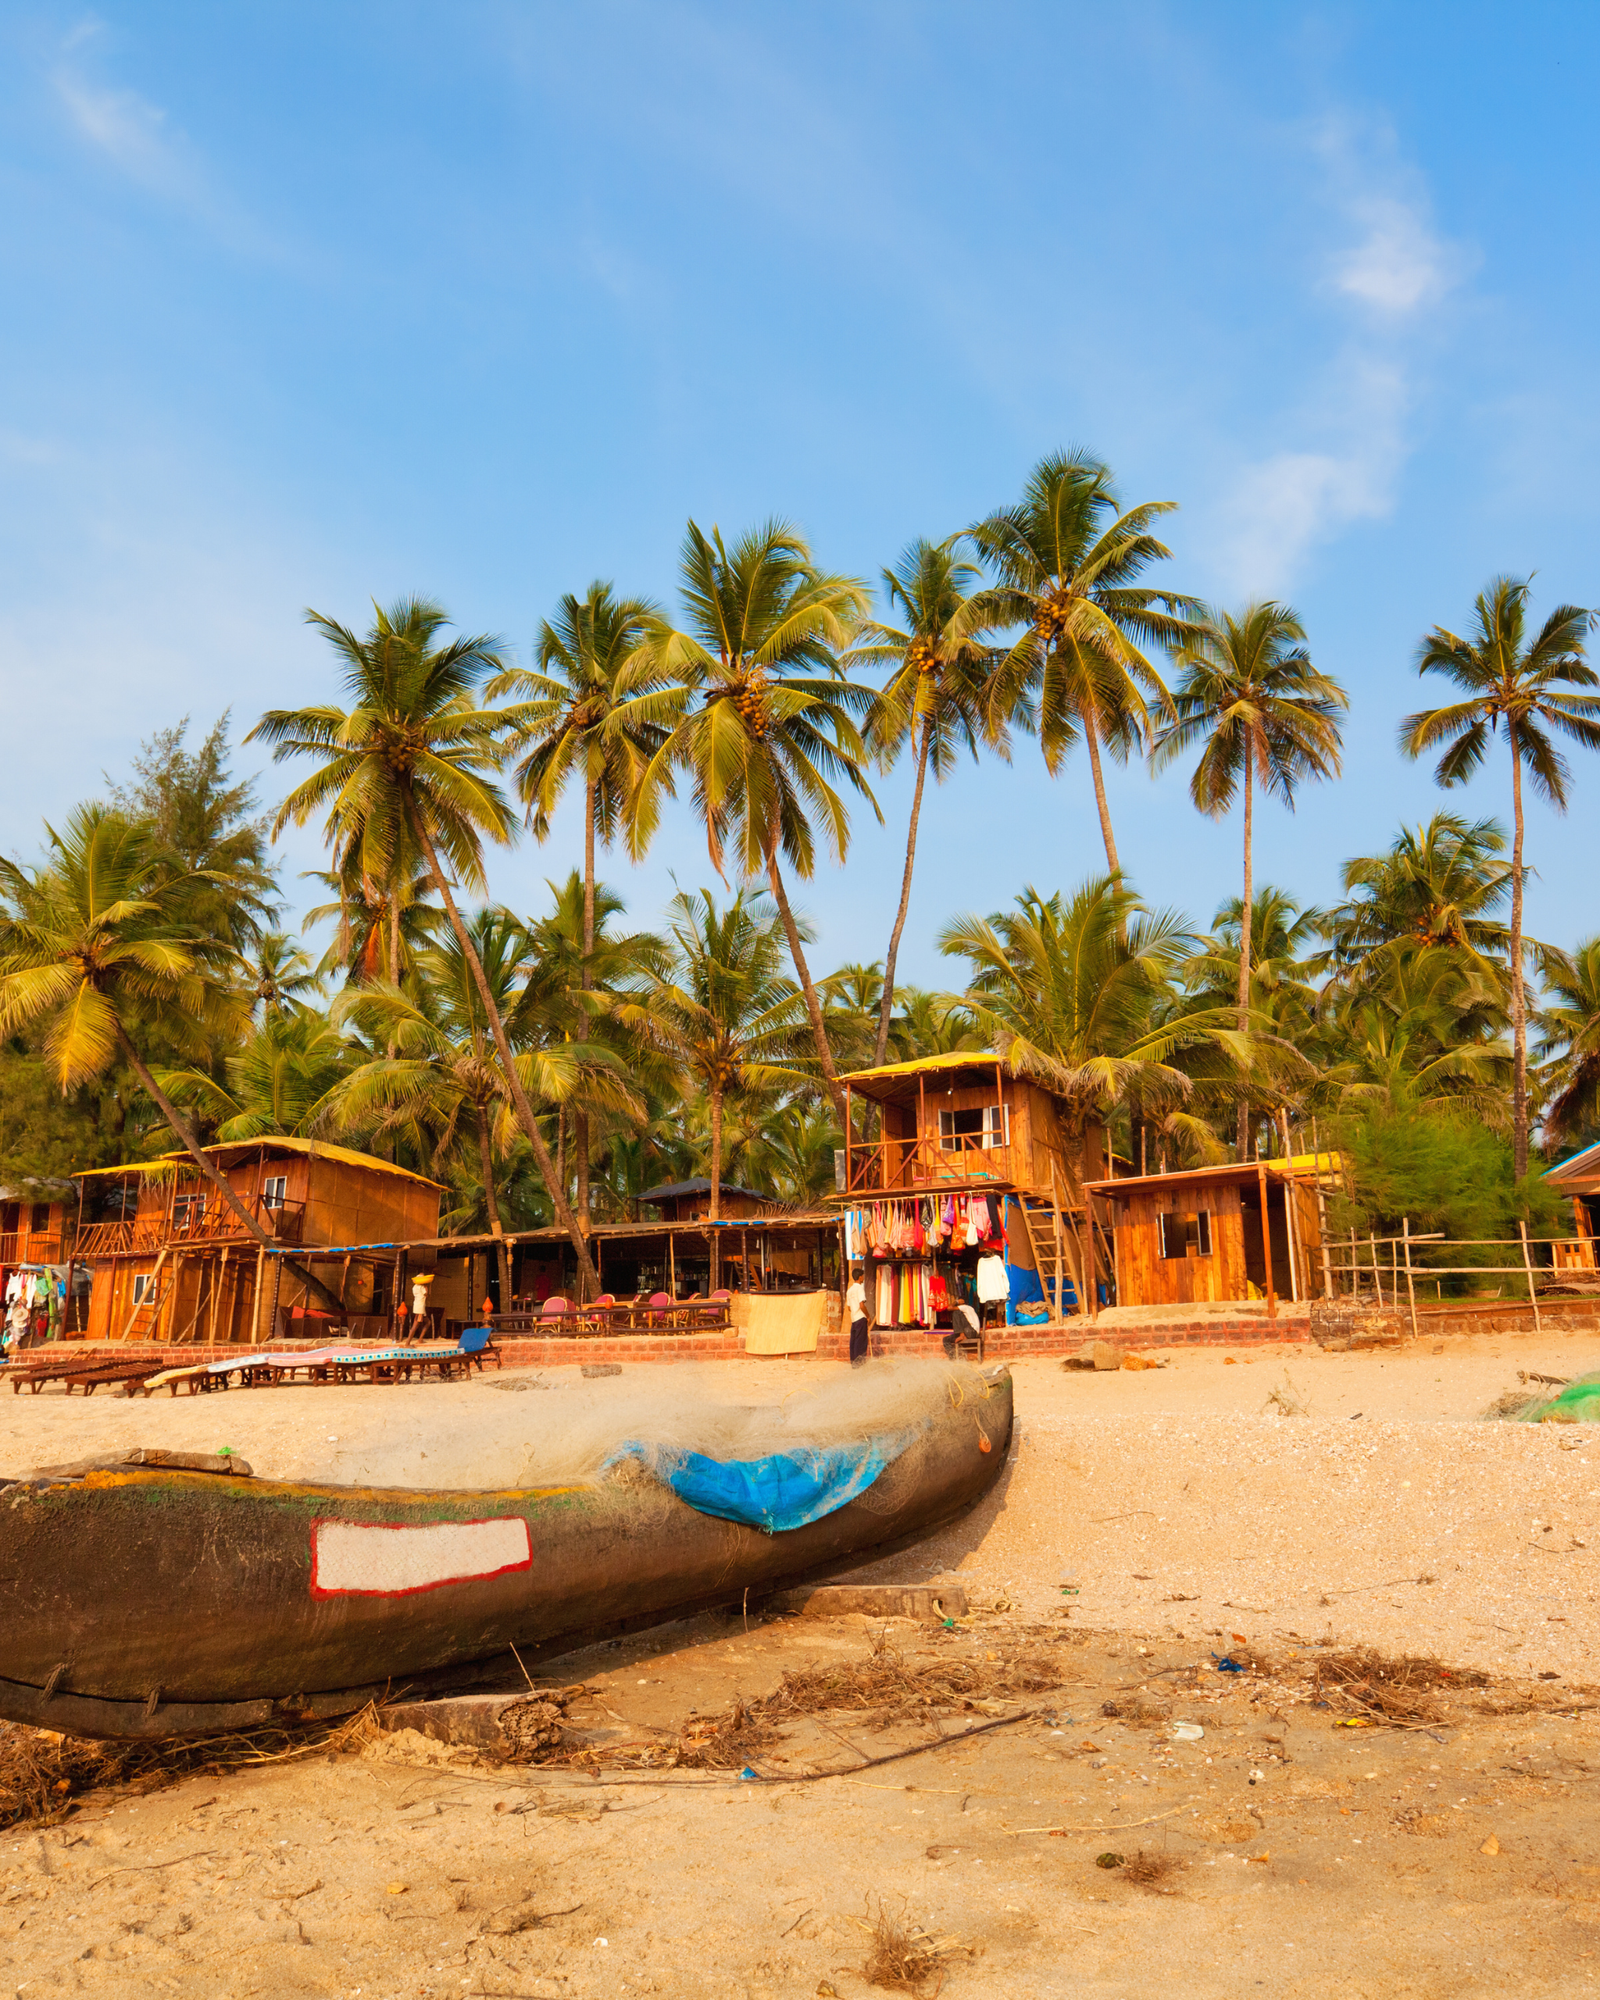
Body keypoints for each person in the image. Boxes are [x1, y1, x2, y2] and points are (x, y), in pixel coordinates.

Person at [845, 1266, 869, 1367]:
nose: (863, 1277)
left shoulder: (849, 1290)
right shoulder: (860, 1288)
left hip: (854, 1318)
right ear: (859, 1277)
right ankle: (859, 1363)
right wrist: (868, 1315)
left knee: (854, 1341)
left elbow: (849, 1308)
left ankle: (853, 1361)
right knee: (861, 1341)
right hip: (860, 1317)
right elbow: (861, 1305)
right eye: (862, 1276)